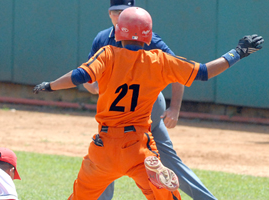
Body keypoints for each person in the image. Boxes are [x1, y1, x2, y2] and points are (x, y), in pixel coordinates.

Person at [33, 6, 263, 200]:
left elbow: (78, 76)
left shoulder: (107, 54)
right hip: (139, 148)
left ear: (119, 32)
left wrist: (49, 85)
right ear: (147, 35)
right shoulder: (160, 61)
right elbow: (204, 72)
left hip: (103, 147)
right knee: (166, 194)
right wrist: (238, 52)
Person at [86, 1, 217, 199]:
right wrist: (97, 88)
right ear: (109, 14)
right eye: (116, 12)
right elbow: (87, 77)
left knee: (110, 149)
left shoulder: (148, 38)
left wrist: (174, 108)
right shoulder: (103, 38)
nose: (120, 15)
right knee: (118, 152)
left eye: (124, 11)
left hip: (148, 107)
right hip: (119, 111)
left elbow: (178, 70)